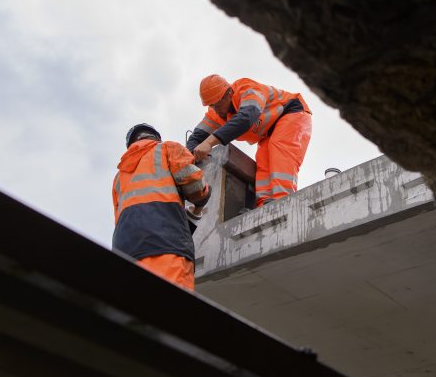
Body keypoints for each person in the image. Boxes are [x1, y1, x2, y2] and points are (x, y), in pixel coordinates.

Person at [186, 74, 312, 207]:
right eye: (212, 105)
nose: (216, 109)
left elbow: (246, 117)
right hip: (269, 131)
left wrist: (208, 143)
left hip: (292, 112)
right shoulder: (215, 114)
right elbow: (196, 138)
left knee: (279, 149)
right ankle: (264, 203)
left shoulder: (246, 89)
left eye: (218, 103)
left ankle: (284, 199)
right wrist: (188, 160)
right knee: (263, 160)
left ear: (229, 93)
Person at [112, 123, 210, 291]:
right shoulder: (166, 148)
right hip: (166, 245)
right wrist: (204, 195)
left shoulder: (118, 177)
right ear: (155, 138)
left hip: (125, 251)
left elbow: (118, 217)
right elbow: (195, 187)